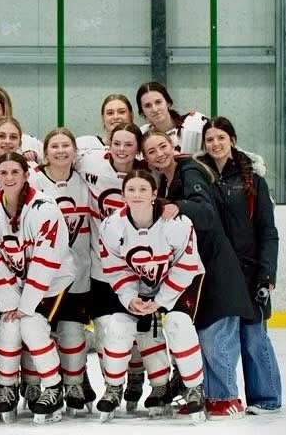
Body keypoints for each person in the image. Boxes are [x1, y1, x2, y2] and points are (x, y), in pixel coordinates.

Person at [142, 130, 257, 416]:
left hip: (217, 268)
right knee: (204, 335)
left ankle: (226, 397)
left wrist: (178, 205)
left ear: (173, 146)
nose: (159, 154)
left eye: (163, 146)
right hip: (199, 270)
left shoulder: (189, 171)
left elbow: (205, 212)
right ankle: (208, 396)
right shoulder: (166, 179)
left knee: (216, 337)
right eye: (152, 151)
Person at [96, 170, 207, 423]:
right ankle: (114, 387)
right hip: (140, 285)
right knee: (118, 326)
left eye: (143, 189)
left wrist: (161, 300)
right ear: (123, 194)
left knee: (178, 324)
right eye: (131, 189)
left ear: (154, 194)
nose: (137, 195)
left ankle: (193, 387)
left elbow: (186, 266)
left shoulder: (177, 223)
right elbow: (115, 268)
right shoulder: (112, 226)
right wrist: (129, 297)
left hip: (181, 283)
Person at [0, 152, 76, 424]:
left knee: (30, 325)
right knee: (8, 327)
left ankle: (53, 387)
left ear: (26, 175)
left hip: (53, 282)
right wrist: (10, 304)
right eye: (3, 173)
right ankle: (7, 386)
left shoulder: (45, 208)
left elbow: (45, 262)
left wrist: (25, 305)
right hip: (16, 283)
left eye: (14, 173)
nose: (9, 178)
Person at [198, 118, 282, 416]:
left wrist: (267, 271)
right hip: (217, 271)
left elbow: (267, 230)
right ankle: (220, 396)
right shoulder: (201, 177)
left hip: (249, 270)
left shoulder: (253, 181)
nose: (215, 144)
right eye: (209, 139)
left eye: (221, 138)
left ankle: (266, 398)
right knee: (217, 337)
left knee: (254, 335)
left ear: (232, 140)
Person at [76, 122, 152, 412]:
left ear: (138, 147)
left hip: (138, 270)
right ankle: (112, 384)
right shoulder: (90, 160)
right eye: (116, 143)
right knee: (108, 331)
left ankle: (136, 376)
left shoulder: (148, 172)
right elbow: (60, 154)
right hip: (100, 268)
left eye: (129, 144)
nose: (122, 149)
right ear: (108, 143)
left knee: (137, 333)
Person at [28, 128, 94, 412]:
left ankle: (75, 382)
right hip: (43, 274)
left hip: (78, 272)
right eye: (54, 146)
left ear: (75, 151)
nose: (60, 151)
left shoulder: (85, 182)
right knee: (38, 332)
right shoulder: (33, 180)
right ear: (45, 152)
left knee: (72, 331)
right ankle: (42, 384)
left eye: (66, 145)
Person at [135, 82, 207, 155]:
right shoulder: (142, 134)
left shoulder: (195, 122)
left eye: (158, 102)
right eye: (148, 105)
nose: (155, 109)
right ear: (142, 112)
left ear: (168, 102)